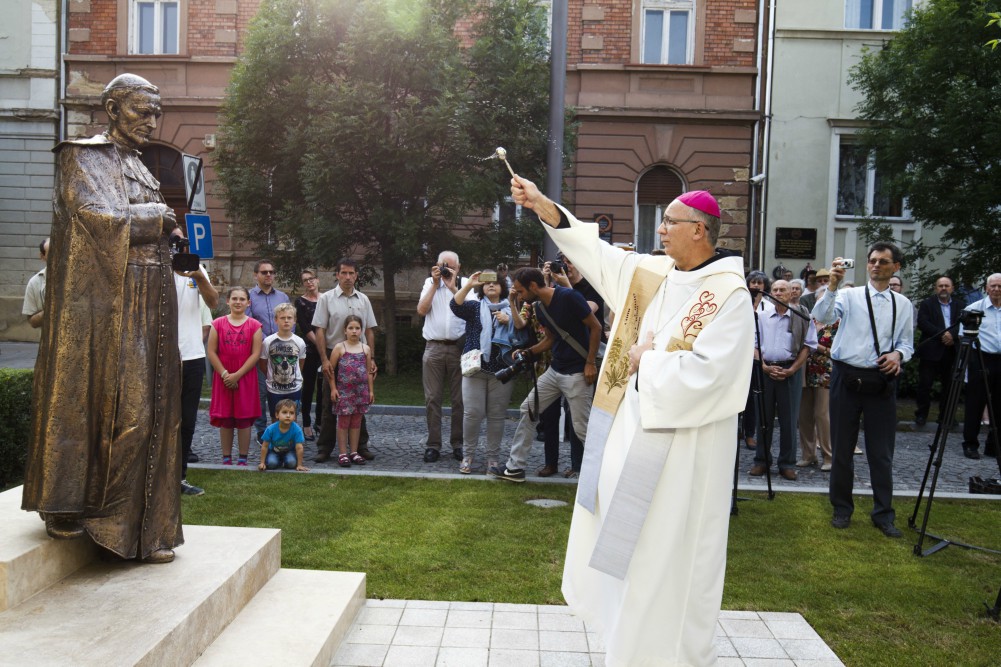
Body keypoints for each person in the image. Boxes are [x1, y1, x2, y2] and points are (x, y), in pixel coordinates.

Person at [510, 176, 752, 665]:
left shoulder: (728, 296)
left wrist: (648, 361)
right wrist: (540, 204)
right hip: (632, 436)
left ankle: (669, 654)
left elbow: (715, 376)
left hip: (685, 455)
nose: (660, 230)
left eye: (669, 222)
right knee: (630, 551)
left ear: (699, 230)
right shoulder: (652, 273)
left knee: (667, 556)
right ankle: (626, 642)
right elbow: (594, 252)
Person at [22, 74, 183, 563]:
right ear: (112, 109)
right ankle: (75, 506)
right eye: (141, 111)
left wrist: (167, 231)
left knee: (152, 408)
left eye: (156, 113)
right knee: (107, 403)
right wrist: (156, 218)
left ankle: (140, 528)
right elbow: (93, 218)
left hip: (150, 297)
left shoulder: (139, 165)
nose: (151, 121)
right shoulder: (84, 156)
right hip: (105, 302)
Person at [812, 243, 914, 538]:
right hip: (846, 377)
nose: (876, 265)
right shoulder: (849, 295)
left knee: (881, 453)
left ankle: (883, 514)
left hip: (881, 380)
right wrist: (832, 285)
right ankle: (842, 509)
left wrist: (898, 355)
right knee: (842, 449)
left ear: (896, 267)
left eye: (883, 261)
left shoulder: (902, 304)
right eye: (872, 260)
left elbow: (907, 343)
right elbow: (823, 317)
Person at [489, 267, 602, 483]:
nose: (519, 296)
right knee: (528, 409)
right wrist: (528, 352)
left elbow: (595, 328)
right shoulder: (539, 307)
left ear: (533, 286)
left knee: (582, 428)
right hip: (555, 370)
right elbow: (550, 339)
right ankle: (515, 468)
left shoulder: (569, 297)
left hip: (577, 373)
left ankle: (605, 475)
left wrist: (590, 363)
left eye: (520, 291)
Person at [450, 270, 521, 474]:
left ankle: (492, 459)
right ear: (482, 288)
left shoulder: (512, 309)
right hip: (475, 369)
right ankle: (468, 456)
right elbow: (455, 305)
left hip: (502, 370)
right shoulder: (474, 307)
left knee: (497, 416)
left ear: (503, 288)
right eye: (487, 283)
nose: (491, 285)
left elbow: (523, 330)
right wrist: (468, 285)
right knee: (472, 414)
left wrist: (509, 320)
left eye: (496, 283)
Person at [748, 279, 817, 480]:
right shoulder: (761, 317)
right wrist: (764, 366)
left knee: (789, 420)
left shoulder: (802, 316)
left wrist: (792, 369)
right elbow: (752, 344)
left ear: (790, 293)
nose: (778, 293)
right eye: (775, 290)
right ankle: (761, 461)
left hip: (790, 371)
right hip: (765, 370)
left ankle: (787, 463)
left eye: (782, 290)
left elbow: (809, 345)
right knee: (764, 419)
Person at [546, 254, 607, 477]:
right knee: (556, 413)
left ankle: (583, 466)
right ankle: (557, 463)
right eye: (562, 262)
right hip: (560, 357)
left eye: (570, 261)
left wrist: (566, 287)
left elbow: (584, 313)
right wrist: (545, 283)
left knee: (580, 415)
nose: (566, 266)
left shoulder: (592, 288)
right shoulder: (553, 288)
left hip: (585, 359)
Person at [312, 258, 378, 462]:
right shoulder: (326, 299)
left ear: (356, 276)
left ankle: (359, 447)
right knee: (330, 401)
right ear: (337, 275)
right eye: (344, 273)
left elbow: (369, 330)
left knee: (359, 402)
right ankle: (325, 447)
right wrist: (324, 359)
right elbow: (320, 330)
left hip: (359, 355)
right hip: (334, 354)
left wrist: (372, 359)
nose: (348, 277)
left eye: (351, 273)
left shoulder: (363, 300)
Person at [172, 229, 219, 496]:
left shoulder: (196, 269)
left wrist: (199, 276)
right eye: (174, 240)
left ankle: (179, 477)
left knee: (187, 420)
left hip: (192, 355)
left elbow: (213, 301)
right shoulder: (153, 268)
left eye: (182, 241)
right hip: (163, 357)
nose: (179, 245)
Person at [417, 250, 466, 463]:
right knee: (432, 399)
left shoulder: (465, 284)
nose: (447, 270)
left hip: (459, 349)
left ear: (458, 268)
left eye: (451, 267)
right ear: (437, 265)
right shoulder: (430, 283)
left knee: (460, 400)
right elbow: (421, 310)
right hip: (434, 347)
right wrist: (436, 285)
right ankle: (433, 445)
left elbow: (470, 309)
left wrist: (452, 286)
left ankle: (458, 443)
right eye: (443, 266)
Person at [207, 286, 264, 466]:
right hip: (223, 375)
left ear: (248, 303)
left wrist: (237, 375)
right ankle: (226, 457)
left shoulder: (255, 325)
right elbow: (211, 351)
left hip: (245, 376)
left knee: (243, 418)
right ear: (228, 301)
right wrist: (225, 374)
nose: (238, 302)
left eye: (242, 299)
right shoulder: (217, 324)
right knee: (226, 418)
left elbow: (255, 354)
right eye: (234, 298)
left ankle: (243, 458)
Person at [247, 259, 290, 443]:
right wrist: (269, 341)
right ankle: (262, 430)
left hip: (282, 353)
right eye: (264, 272)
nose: (268, 275)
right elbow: (249, 323)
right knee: (261, 393)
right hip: (260, 352)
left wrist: (282, 340)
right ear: (255, 275)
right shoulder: (249, 297)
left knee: (280, 392)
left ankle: (280, 428)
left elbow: (289, 320)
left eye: (271, 272)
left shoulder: (283, 297)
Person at [914, 276, 964, 428]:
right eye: (940, 286)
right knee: (925, 385)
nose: (943, 288)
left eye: (946, 286)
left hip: (951, 350)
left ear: (952, 288)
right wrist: (943, 334)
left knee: (949, 386)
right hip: (931, 350)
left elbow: (962, 323)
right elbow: (923, 323)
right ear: (936, 288)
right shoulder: (927, 304)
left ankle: (946, 417)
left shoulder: (960, 305)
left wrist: (952, 335)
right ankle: (921, 415)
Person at [961, 273, 1001, 460]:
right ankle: (970, 444)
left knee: (999, 405)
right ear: (986, 288)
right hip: (980, 358)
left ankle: (994, 446)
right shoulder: (973, 309)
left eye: (1000, 286)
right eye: (993, 286)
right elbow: (963, 336)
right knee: (975, 403)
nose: (996, 289)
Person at [329, 315, 375, 467]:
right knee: (344, 422)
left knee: (356, 422)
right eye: (351, 328)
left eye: (357, 328)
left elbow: (368, 371)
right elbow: (330, 370)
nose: (354, 331)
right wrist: (333, 388)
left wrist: (370, 391)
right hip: (344, 392)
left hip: (360, 392)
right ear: (345, 330)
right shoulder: (339, 348)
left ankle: (354, 451)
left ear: (361, 330)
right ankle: (342, 453)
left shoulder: (365, 348)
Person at [799, 311, 838, 471]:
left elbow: (836, 351)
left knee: (822, 414)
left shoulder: (837, 323)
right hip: (805, 371)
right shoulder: (810, 321)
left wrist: (815, 346)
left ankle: (828, 456)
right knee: (804, 415)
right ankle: (808, 455)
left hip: (825, 373)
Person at [259, 302, 307, 419]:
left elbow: (300, 363)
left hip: (294, 389)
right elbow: (263, 364)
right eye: (282, 318)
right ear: (276, 320)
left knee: (292, 418)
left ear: (294, 320)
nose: (286, 321)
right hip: (274, 390)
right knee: (275, 418)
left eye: (289, 318)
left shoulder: (300, 342)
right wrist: (272, 376)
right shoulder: (268, 342)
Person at [742, 270, 771, 451]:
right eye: (753, 282)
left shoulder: (769, 307)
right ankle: (737, 430)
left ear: (765, 286)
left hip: (760, 356)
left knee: (754, 397)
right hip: (740, 355)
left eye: (759, 283)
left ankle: (750, 433)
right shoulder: (741, 302)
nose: (756, 285)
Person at [295, 269, 323, 441]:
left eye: (311, 278)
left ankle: (320, 422)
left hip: (327, 348)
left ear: (317, 280)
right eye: (305, 280)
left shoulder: (326, 299)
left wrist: (326, 346)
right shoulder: (300, 302)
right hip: (310, 350)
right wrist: (320, 345)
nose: (309, 282)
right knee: (308, 387)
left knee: (323, 387)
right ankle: (306, 423)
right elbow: (305, 327)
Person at [258, 399, 310, 472]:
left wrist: (299, 465)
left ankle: (285, 461)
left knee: (291, 463)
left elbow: (299, 448)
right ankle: (278, 461)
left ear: (295, 416)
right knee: (271, 464)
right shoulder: (270, 429)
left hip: (289, 451)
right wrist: (262, 463)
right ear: (277, 415)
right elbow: (265, 446)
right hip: (273, 451)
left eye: (291, 413)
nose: (288, 416)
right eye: (284, 412)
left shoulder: (297, 429)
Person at [22, 238, 48, 329]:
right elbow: (33, 322)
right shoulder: (34, 283)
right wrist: (51, 310)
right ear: (42, 256)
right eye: (52, 253)